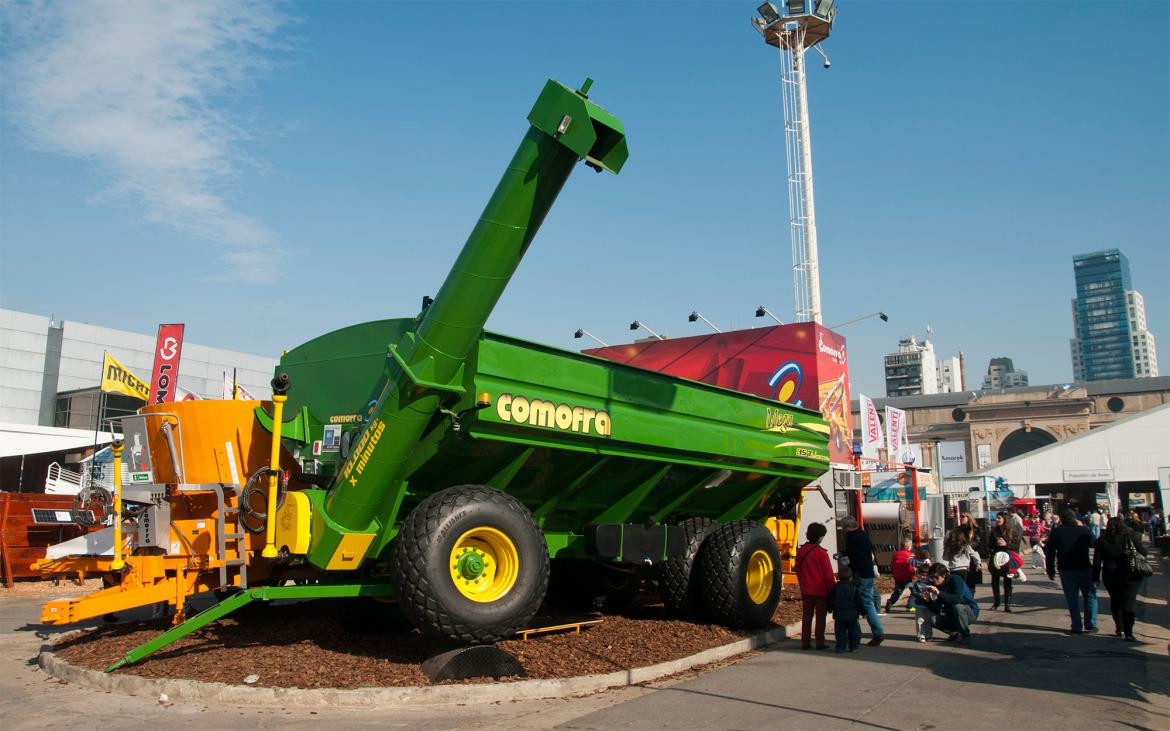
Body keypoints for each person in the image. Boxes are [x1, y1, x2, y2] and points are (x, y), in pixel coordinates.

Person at [1093, 516, 1148, 641]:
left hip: (1110, 575)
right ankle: (1129, 632)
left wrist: (1095, 577)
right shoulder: (1129, 537)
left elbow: (1097, 562)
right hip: (1131, 574)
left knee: (1115, 601)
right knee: (1129, 602)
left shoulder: (1102, 540)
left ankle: (1119, 627)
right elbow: (1143, 551)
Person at [1046, 508, 1098, 634]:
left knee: (1072, 598)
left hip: (1066, 569)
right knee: (1090, 595)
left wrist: (1050, 569)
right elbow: (1093, 544)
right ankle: (1090, 624)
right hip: (1084, 567)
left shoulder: (1056, 532)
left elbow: (1050, 552)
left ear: (1061, 519)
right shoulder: (1083, 530)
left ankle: (1076, 626)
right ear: (1075, 518)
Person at [839, 516, 884, 645]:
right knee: (867, 602)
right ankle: (876, 632)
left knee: (861, 604)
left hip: (859, 575)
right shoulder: (863, 534)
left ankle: (874, 632)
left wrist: (846, 560)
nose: (843, 530)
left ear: (847, 527)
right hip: (868, 573)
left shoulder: (851, 537)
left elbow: (853, 556)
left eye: (843, 527)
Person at [794, 522, 834, 650]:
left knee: (807, 617)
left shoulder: (800, 551)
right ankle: (819, 641)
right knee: (820, 618)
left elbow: (798, 570)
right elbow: (828, 575)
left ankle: (805, 641)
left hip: (806, 589)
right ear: (820, 537)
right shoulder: (821, 553)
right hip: (821, 591)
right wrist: (832, 591)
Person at [920, 563, 980, 645]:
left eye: (936, 577)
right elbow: (937, 609)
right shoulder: (937, 585)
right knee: (933, 620)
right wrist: (928, 601)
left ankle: (966, 635)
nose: (934, 580)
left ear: (944, 575)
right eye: (931, 577)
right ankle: (955, 633)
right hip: (952, 614)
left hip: (969, 612)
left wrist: (939, 593)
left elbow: (958, 599)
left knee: (958, 607)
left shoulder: (956, 580)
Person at [828, 565, 866, 653]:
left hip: (839, 614)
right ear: (850, 577)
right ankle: (853, 646)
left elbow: (831, 600)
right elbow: (859, 601)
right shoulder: (853, 588)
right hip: (852, 615)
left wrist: (829, 608)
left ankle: (840, 647)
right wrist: (863, 611)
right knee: (853, 632)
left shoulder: (835, 588)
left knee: (840, 632)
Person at [988, 513, 1020, 612]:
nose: (997, 519)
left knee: (1007, 581)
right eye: (996, 518)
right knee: (995, 581)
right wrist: (996, 544)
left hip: (1007, 558)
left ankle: (1007, 604)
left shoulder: (1012, 531)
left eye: (999, 518)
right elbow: (989, 544)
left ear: (1005, 519)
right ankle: (996, 602)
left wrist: (1006, 544)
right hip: (996, 558)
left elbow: (1016, 546)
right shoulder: (994, 531)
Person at [943, 528, 981, 596]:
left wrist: (946, 567)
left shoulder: (949, 547)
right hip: (963, 569)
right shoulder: (965, 546)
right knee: (962, 586)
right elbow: (974, 553)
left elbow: (945, 558)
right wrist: (978, 563)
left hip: (953, 569)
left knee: (955, 586)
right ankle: (963, 597)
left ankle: (957, 597)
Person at [885, 536, 914, 614]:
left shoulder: (896, 554)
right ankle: (910, 606)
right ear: (909, 547)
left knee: (898, 592)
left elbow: (892, 565)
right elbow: (911, 567)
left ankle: (890, 602)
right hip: (908, 576)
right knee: (915, 591)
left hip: (898, 577)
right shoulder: (910, 555)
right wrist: (914, 573)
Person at [908, 562, 936, 642]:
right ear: (918, 575)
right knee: (920, 621)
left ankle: (929, 635)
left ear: (929, 575)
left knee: (928, 621)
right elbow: (913, 593)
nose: (923, 577)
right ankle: (921, 635)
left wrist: (930, 594)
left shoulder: (931, 583)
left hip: (929, 605)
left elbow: (935, 593)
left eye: (926, 575)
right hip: (919, 605)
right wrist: (920, 594)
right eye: (921, 575)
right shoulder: (916, 584)